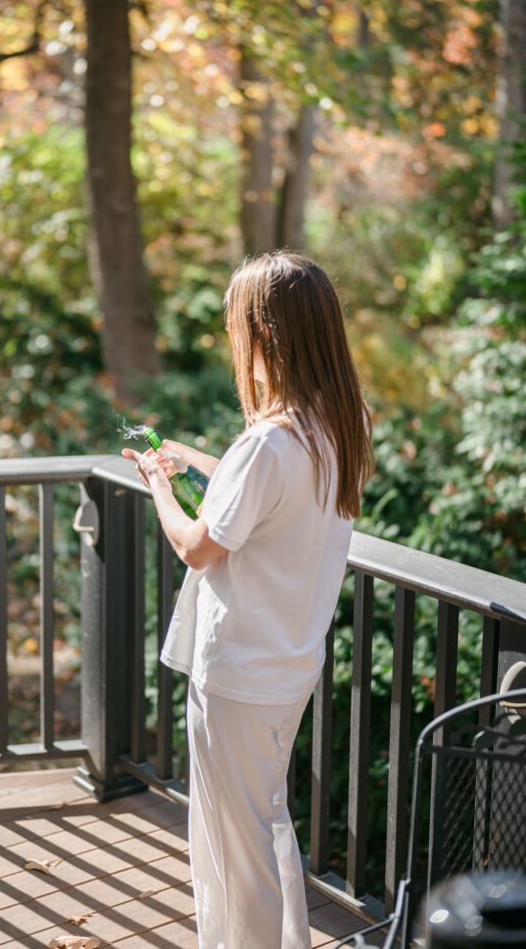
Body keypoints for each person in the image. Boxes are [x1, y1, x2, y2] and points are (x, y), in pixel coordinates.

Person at [122, 250, 375, 949]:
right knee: (264, 819)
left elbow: (197, 547)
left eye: (236, 325)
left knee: (233, 846)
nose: (232, 340)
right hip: (288, 662)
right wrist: (197, 457)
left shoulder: (267, 445)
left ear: (266, 334)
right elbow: (265, 494)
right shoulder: (340, 419)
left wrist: (157, 483)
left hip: (237, 672)